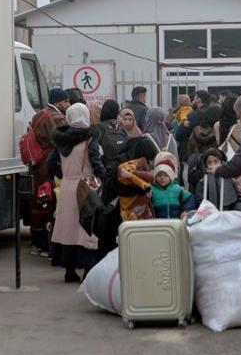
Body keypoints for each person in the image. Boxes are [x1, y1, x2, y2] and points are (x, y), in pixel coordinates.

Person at [47, 103, 105, 282]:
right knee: (86, 228)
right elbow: (96, 162)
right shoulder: (90, 139)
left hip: (67, 187)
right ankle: (88, 268)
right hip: (86, 187)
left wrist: (63, 175)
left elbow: (50, 164)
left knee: (68, 229)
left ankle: (69, 270)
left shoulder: (61, 141)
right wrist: (103, 177)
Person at [27, 88, 70, 256]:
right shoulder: (56, 117)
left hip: (38, 164)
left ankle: (36, 240)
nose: (68, 104)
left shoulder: (39, 114)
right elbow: (61, 141)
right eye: (65, 101)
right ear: (57, 102)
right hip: (49, 165)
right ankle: (46, 244)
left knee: (39, 200)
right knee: (50, 202)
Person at [117, 136, 159, 221]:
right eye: (149, 158)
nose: (150, 162)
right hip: (125, 215)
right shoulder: (124, 168)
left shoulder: (130, 163)